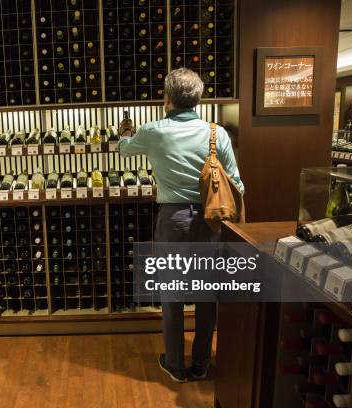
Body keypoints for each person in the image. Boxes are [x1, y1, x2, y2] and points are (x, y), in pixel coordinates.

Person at [119, 68, 244, 383]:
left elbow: (124, 150)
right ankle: (201, 363)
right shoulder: (217, 134)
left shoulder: (153, 131)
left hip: (173, 220)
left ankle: (175, 364)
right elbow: (238, 185)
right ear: (198, 99)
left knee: (172, 294)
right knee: (206, 295)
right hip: (211, 220)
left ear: (167, 98)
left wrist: (124, 132)